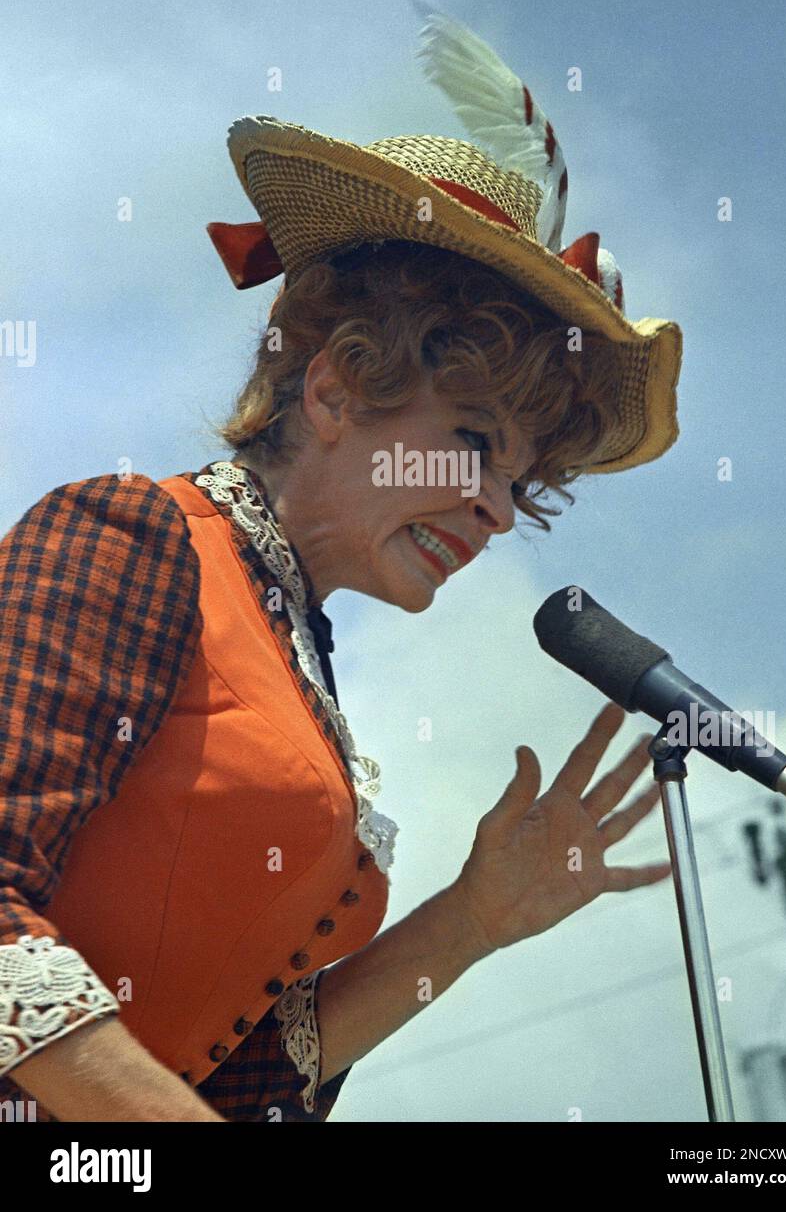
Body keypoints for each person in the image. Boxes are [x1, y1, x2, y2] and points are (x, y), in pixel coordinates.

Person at [0, 117, 682, 1122]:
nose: (497, 507)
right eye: (473, 442)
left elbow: (233, 1081)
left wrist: (470, 921)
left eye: (518, 478)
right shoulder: (135, 534)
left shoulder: (292, 645)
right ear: (335, 387)